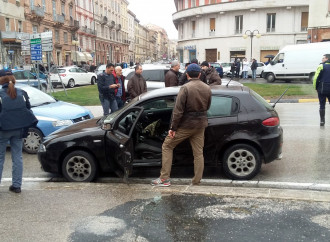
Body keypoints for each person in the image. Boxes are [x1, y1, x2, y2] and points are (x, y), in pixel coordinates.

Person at [151, 63, 212, 186]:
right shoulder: (207, 88)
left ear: (187, 74)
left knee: (167, 146)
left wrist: (173, 128)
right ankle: (196, 180)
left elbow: (178, 111)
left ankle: (164, 179)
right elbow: (208, 106)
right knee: (198, 153)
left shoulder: (185, 88)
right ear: (200, 74)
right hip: (200, 125)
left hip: (186, 125)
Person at [0, 69, 38, 193]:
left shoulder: (1, 94)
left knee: (0, 158)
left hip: (3, 129)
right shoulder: (22, 93)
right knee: (17, 157)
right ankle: (17, 186)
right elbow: (28, 109)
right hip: (19, 129)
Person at [313, 54, 330, 126]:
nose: (322, 59)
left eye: (323, 58)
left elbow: (316, 78)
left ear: (327, 59)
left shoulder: (321, 66)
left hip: (322, 89)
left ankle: (322, 121)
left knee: (322, 105)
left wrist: (315, 87)